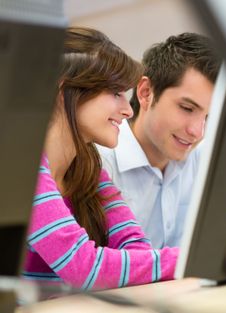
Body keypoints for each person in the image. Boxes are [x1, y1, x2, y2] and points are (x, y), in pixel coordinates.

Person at [22, 27, 178, 290]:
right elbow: (84, 268)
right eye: (116, 93)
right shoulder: (24, 170)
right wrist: (186, 258)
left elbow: (137, 248)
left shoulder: (88, 167)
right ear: (64, 89)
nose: (128, 110)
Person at [98, 33, 221, 248]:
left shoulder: (204, 160)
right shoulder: (99, 163)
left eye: (208, 117)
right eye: (187, 108)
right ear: (146, 93)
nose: (197, 132)